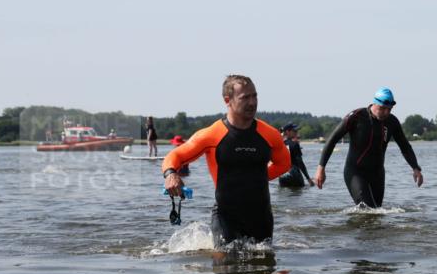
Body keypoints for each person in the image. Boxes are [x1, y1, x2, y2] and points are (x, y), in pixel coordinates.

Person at [162, 75, 291, 247]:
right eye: (245, 97)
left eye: (254, 96)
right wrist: (171, 174)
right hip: (226, 217)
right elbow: (175, 156)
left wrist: (255, 178)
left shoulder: (270, 134)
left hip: (261, 217)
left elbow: (284, 164)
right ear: (227, 100)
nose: (252, 102)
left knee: (264, 270)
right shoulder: (211, 135)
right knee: (226, 268)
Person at [314, 87, 423, 207]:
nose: (386, 112)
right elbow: (332, 140)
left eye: (389, 109)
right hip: (355, 172)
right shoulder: (356, 116)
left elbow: (405, 146)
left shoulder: (392, 122)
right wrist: (321, 168)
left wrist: (415, 168)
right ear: (375, 103)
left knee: (377, 213)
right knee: (368, 209)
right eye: (383, 108)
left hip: (377, 174)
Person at [278, 123, 311, 187]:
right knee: (298, 194)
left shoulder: (279, 144)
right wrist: (308, 178)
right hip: (294, 174)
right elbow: (300, 162)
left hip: (282, 175)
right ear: (287, 132)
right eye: (294, 131)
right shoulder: (295, 144)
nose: (296, 132)